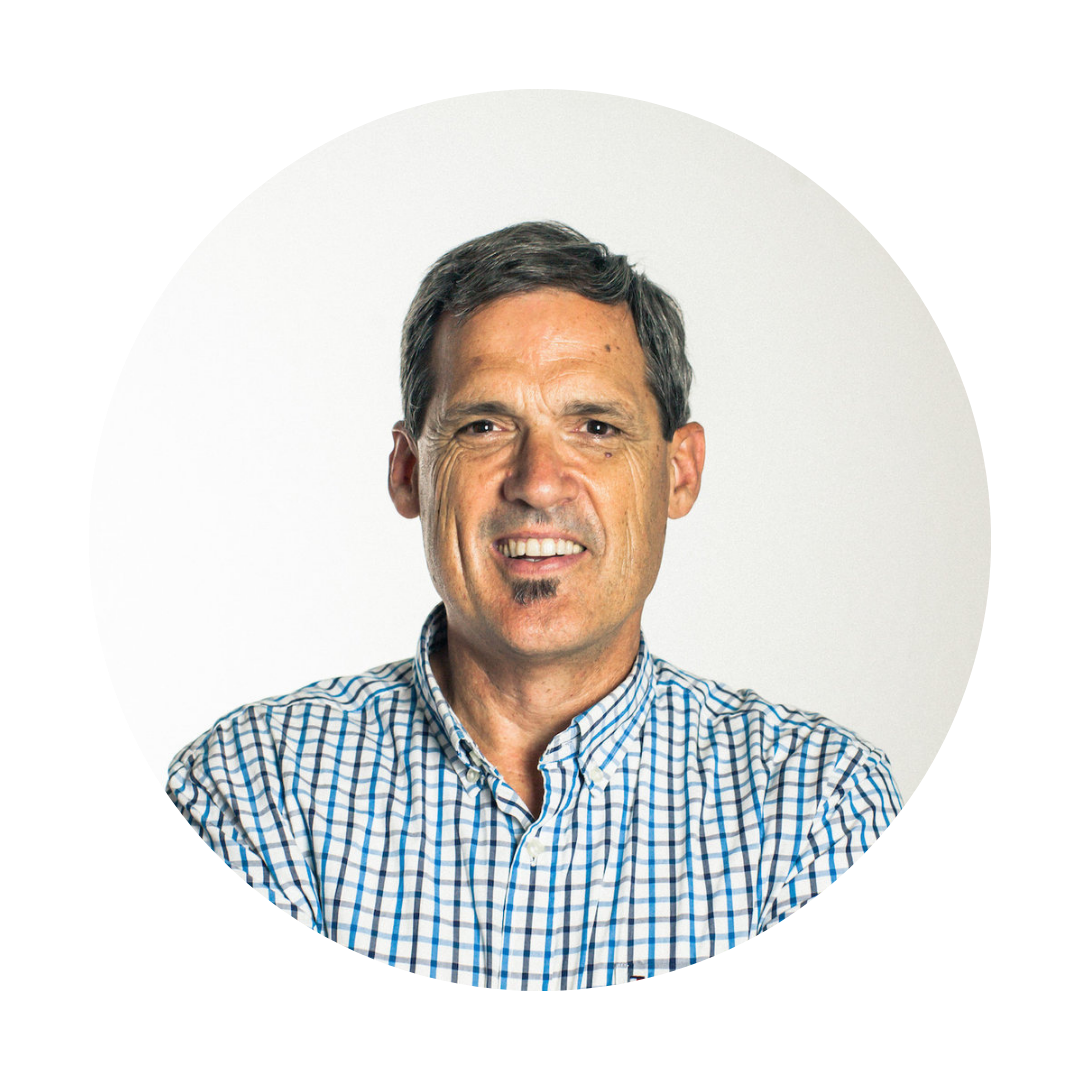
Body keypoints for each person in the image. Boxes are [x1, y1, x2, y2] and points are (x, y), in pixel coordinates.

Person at [167, 221, 901, 991]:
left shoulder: (819, 807)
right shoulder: (254, 790)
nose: (539, 481)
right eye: (484, 427)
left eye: (596, 428)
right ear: (409, 473)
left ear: (679, 473)